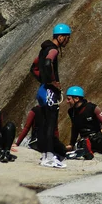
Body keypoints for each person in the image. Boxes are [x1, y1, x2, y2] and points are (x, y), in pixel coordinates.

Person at [33, 23, 71, 168]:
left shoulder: (43, 50)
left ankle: (45, 155)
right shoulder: (53, 50)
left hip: (42, 90)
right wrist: (53, 82)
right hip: (49, 91)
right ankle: (49, 157)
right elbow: (49, 62)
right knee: (51, 124)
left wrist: (43, 80)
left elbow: (34, 68)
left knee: (44, 124)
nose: (67, 41)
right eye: (67, 38)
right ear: (60, 37)